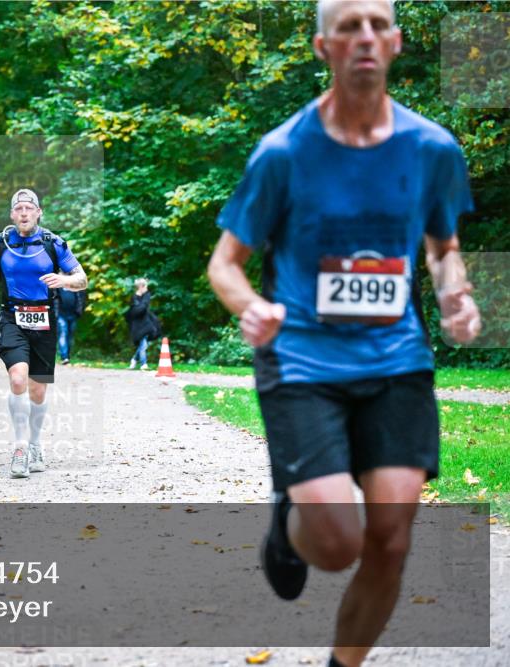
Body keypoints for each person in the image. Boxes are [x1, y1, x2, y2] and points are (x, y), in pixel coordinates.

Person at [206, 1, 481, 665]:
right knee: (336, 545)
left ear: (397, 42)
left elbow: (443, 246)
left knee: (390, 538)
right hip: (302, 359)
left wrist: (457, 294)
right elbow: (224, 264)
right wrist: (250, 306)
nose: (365, 36)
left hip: (396, 359)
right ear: (322, 45)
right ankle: (289, 523)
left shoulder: (433, 149)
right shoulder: (283, 153)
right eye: (349, 26)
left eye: (377, 25)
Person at [0, 189, 88, 479]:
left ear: (38, 213)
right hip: (12, 318)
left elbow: (82, 279)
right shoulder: (0, 243)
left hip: (44, 319)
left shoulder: (53, 243)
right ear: (12, 214)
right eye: (19, 208)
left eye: (29, 208)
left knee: (38, 390)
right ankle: (20, 447)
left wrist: (63, 280)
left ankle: (35, 444)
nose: (24, 213)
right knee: (17, 379)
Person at [124, 278, 155, 370]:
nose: (146, 288)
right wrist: (137, 299)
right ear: (141, 287)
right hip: (137, 326)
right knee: (143, 345)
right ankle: (143, 363)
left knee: (143, 345)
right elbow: (136, 311)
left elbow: (144, 308)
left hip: (145, 324)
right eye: (145, 286)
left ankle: (134, 360)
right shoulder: (134, 298)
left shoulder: (146, 296)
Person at [56, 287, 86, 364]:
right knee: (63, 333)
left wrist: (79, 311)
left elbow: (81, 298)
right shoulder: (58, 285)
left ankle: (67, 356)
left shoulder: (75, 284)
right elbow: (54, 298)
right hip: (61, 314)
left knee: (70, 336)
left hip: (73, 314)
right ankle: (64, 357)